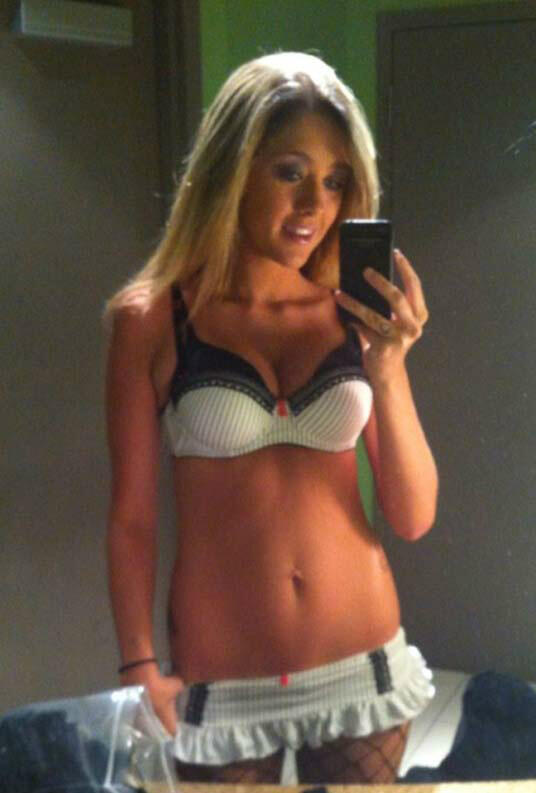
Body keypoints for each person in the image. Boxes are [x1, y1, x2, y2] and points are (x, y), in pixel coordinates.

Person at [105, 51, 438, 785]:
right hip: (220, 683)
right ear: (233, 169)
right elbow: (132, 517)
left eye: (336, 180)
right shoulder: (153, 318)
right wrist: (138, 664)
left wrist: (388, 368)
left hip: (362, 669)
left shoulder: (352, 313)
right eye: (291, 172)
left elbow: (413, 516)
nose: (316, 203)